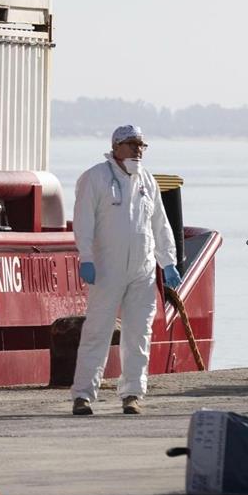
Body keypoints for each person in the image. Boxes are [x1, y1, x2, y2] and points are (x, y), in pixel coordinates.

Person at [70, 125, 182, 416]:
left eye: (142, 145)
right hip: (107, 268)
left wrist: (167, 261)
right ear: (116, 146)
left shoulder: (147, 181)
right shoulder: (95, 178)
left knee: (139, 333)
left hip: (142, 270)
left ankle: (132, 393)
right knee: (97, 330)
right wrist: (86, 257)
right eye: (132, 144)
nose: (138, 150)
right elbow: (83, 220)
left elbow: (160, 223)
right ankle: (83, 394)